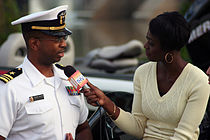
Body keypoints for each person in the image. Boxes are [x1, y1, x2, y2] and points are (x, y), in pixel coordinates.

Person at [83, 11, 210, 140]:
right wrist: (106, 102)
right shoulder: (142, 73)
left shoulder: (198, 81)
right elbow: (139, 127)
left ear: (168, 49)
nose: (145, 46)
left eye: (151, 43)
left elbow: (184, 136)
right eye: (147, 40)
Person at [0, 5, 92, 140]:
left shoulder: (69, 79)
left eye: (64, 38)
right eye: (57, 39)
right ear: (35, 44)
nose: (64, 44)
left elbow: (83, 128)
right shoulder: (9, 88)